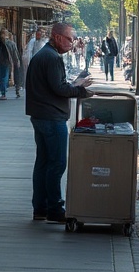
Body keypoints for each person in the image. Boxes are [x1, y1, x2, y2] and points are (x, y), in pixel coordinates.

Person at [25, 21, 94, 223]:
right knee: (56, 164)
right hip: (51, 117)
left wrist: (74, 85)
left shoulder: (44, 56)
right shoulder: (52, 58)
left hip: (41, 115)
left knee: (43, 162)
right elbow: (59, 89)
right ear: (57, 37)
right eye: (69, 39)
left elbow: (55, 86)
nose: (72, 43)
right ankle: (54, 208)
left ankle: (40, 207)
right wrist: (81, 90)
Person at [0, 28, 20, 99]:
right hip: (8, 62)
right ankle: (4, 90)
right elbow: (15, 54)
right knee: (5, 76)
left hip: (0, 62)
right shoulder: (11, 43)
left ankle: (3, 93)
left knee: (2, 77)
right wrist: (17, 61)